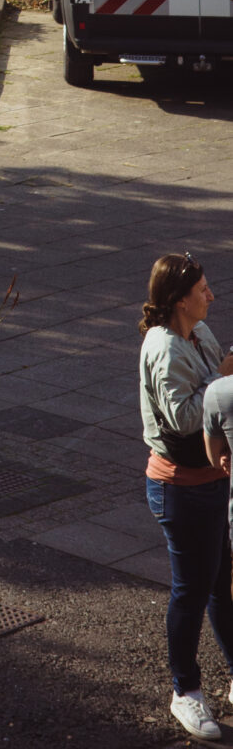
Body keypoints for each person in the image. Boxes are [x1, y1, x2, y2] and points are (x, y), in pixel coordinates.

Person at [142, 254, 233, 739]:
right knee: (192, 590)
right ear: (179, 300)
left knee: (222, 581)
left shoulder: (200, 334)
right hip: (180, 490)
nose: (211, 295)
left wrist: (224, 370)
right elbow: (182, 419)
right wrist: (224, 380)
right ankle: (185, 693)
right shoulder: (166, 348)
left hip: (211, 483)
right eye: (202, 289)